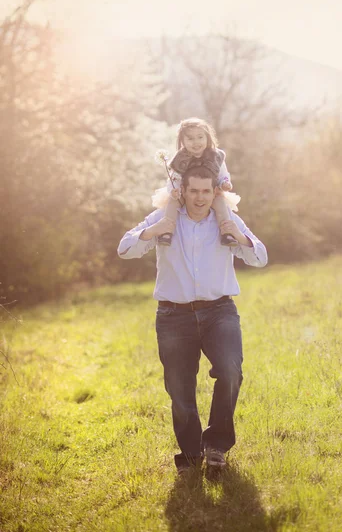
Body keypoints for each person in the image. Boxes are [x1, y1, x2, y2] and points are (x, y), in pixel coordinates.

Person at [118, 165, 268, 475]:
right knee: (179, 387)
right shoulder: (166, 219)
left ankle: (216, 445)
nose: (199, 198)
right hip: (174, 316)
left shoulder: (226, 220)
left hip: (219, 312)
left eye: (205, 191)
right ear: (182, 192)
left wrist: (237, 234)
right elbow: (125, 249)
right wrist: (153, 231)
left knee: (230, 371)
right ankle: (189, 454)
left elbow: (259, 257)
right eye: (193, 191)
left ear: (215, 192)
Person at [152, 117, 240, 247]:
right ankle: (167, 231)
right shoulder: (180, 159)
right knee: (172, 203)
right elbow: (173, 178)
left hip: (211, 192)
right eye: (190, 139)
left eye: (200, 137)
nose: (196, 142)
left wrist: (224, 183)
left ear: (207, 138)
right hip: (185, 192)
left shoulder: (216, 156)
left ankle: (227, 233)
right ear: (182, 141)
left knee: (220, 203)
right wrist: (174, 191)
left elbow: (223, 174)